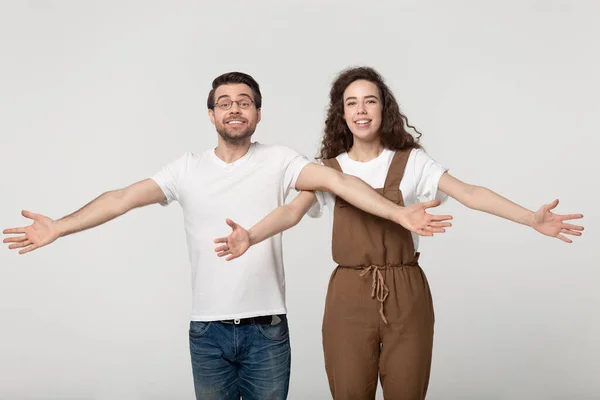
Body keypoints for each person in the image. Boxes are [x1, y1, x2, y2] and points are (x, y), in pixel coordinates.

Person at [2, 71, 453, 400]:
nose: (234, 108)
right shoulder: (185, 169)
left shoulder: (281, 160)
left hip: (268, 330)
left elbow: (342, 184)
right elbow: (121, 198)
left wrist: (399, 215)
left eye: (244, 101)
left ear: (257, 112)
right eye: (224, 101)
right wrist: (59, 226)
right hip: (208, 331)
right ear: (211, 112)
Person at [213, 67, 585, 400]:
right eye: (352, 103)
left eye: (370, 101)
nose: (361, 110)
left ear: (383, 108)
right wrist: (252, 235)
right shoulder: (328, 169)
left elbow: (470, 193)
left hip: (406, 292)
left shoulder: (412, 162)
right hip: (349, 293)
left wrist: (529, 219)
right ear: (341, 114)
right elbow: (292, 211)